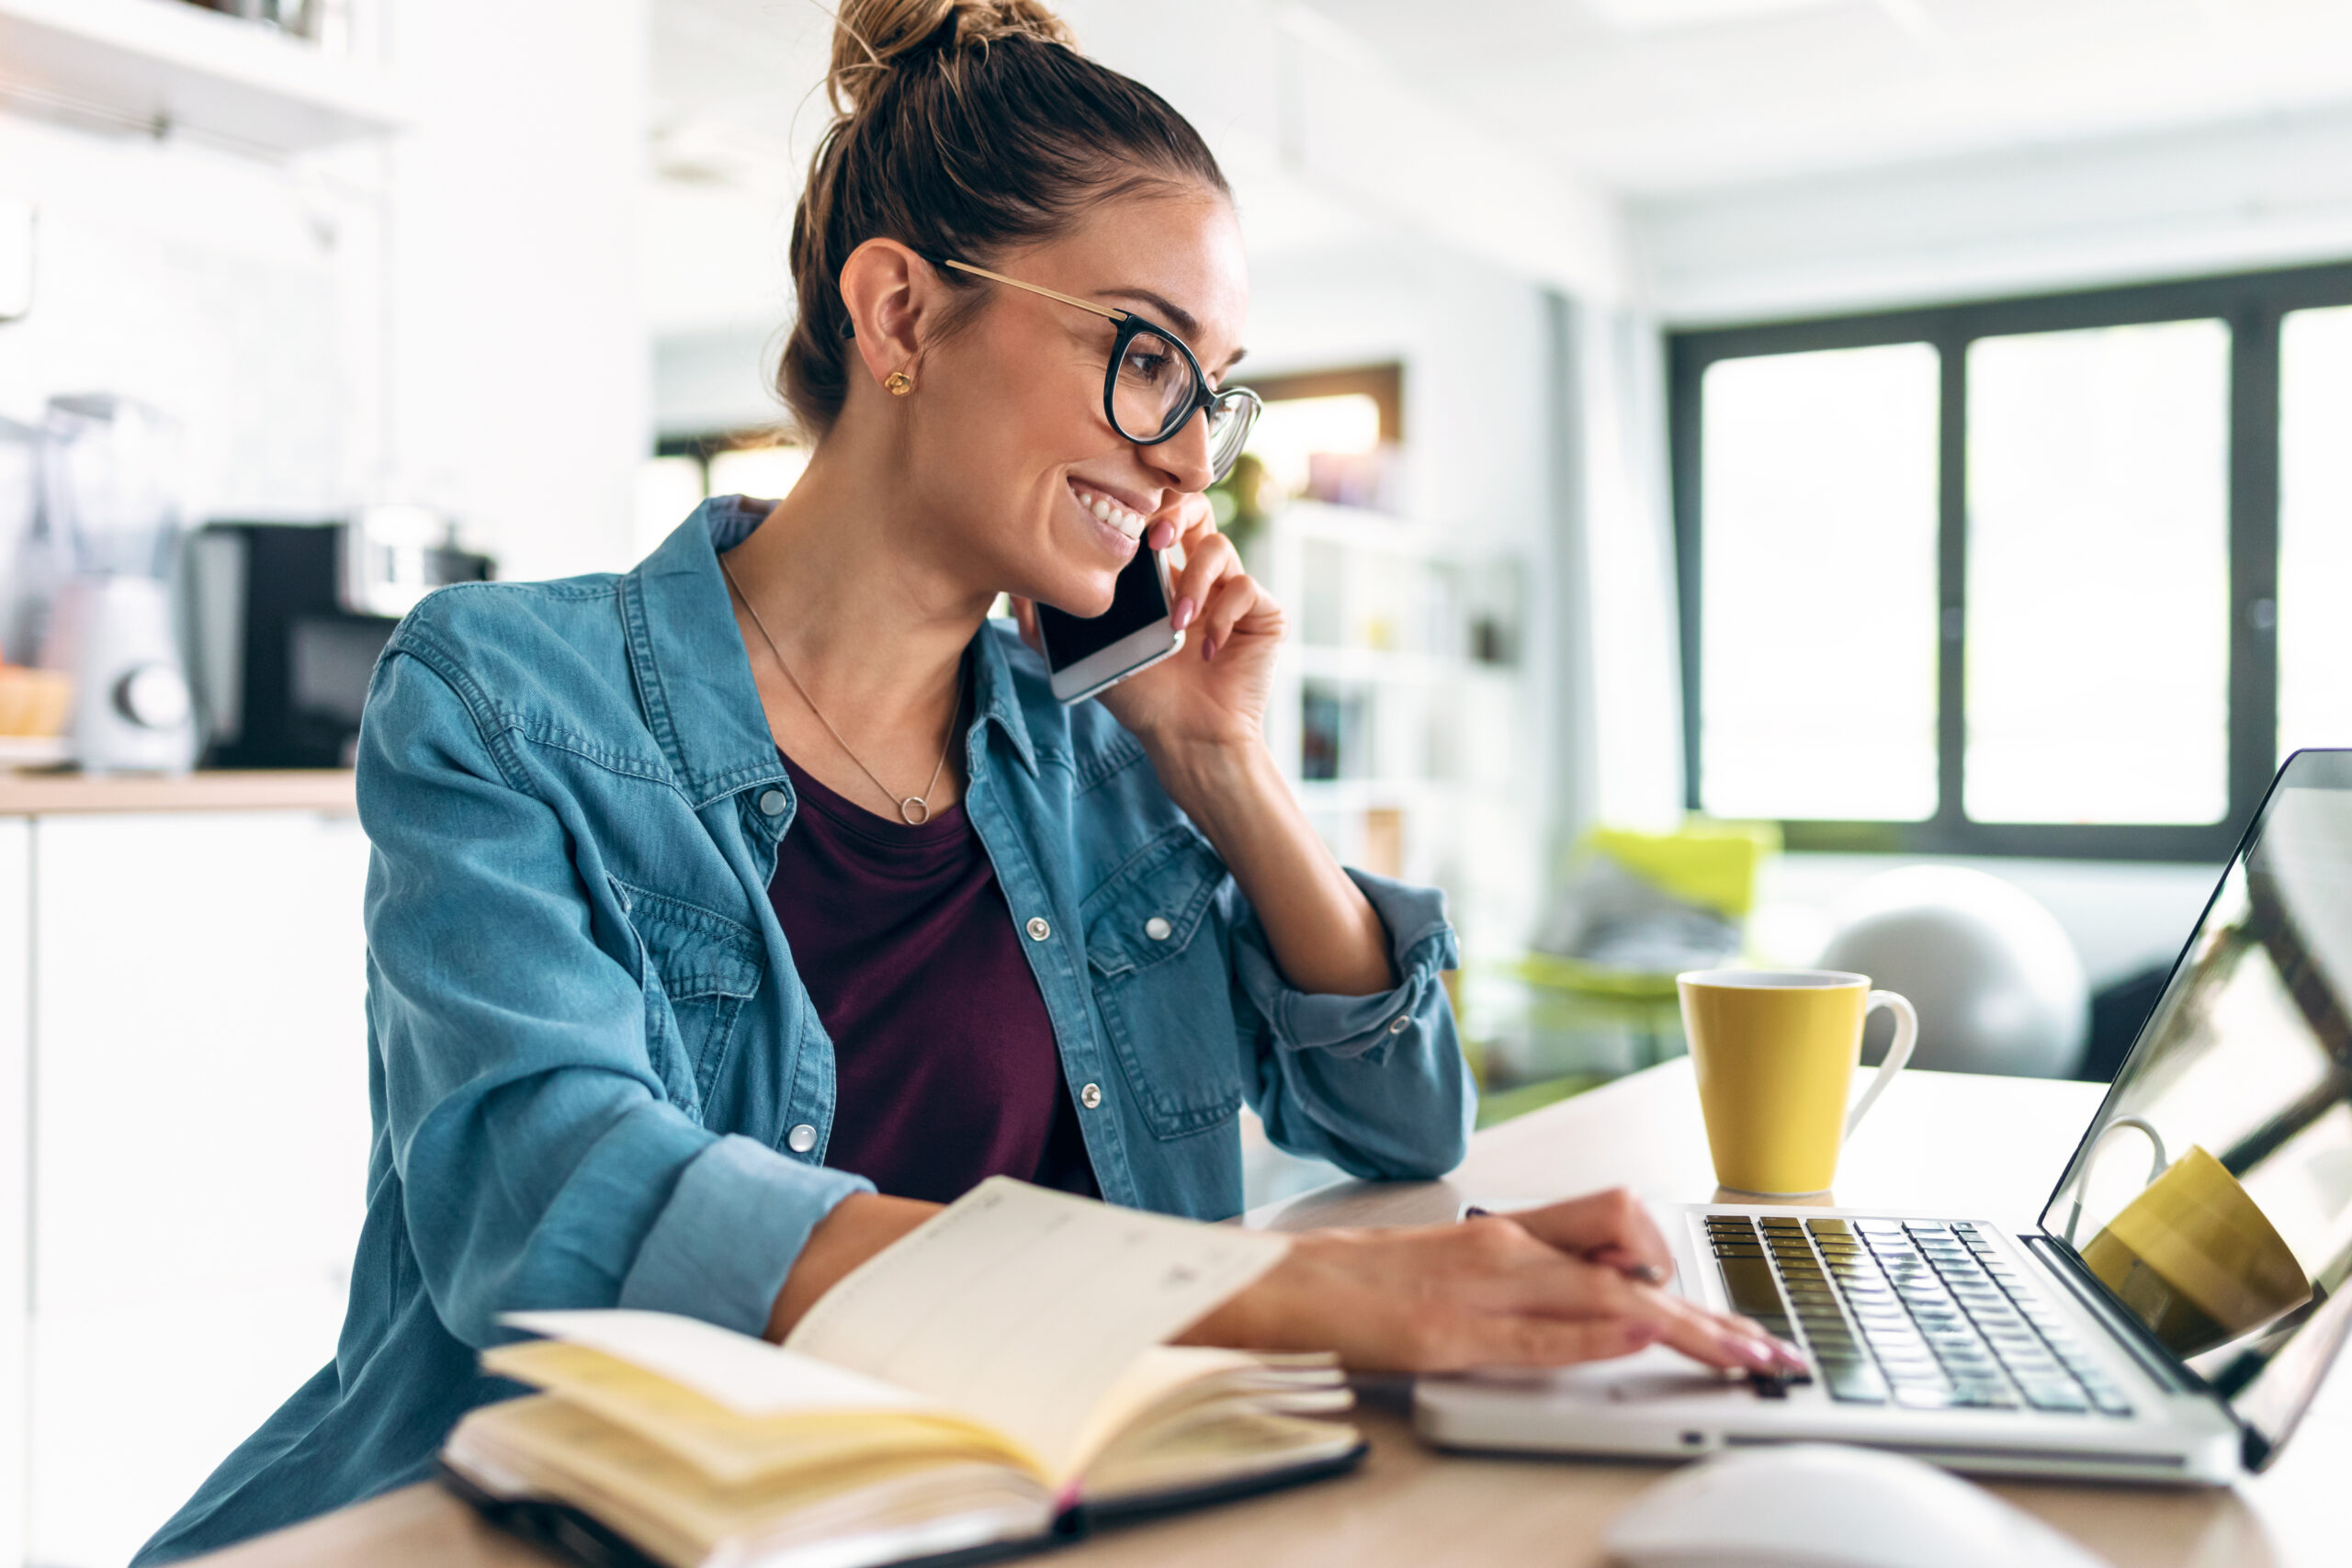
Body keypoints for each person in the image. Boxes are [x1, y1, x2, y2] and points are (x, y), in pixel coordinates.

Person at [134, 2, 1798, 1560]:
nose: (1188, 455)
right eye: (1146, 356)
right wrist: (1279, 1299)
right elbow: (557, 1211)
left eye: (1213, 389)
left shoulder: (1103, 743)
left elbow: (1398, 1113)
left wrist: (1221, 766)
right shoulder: (503, 698)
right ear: (902, 315)